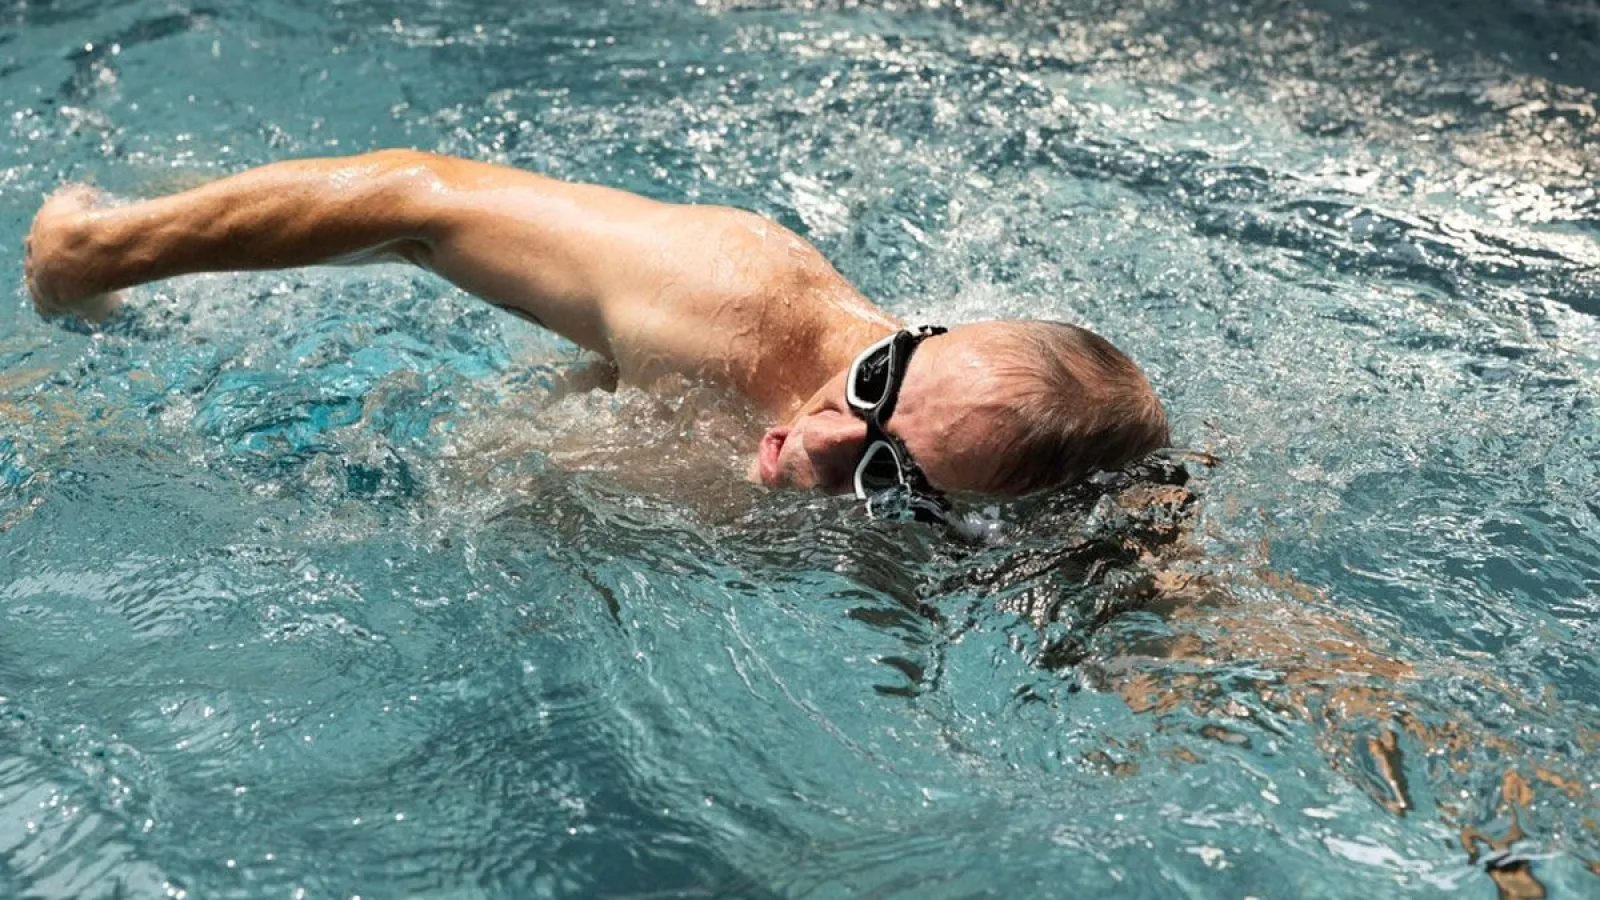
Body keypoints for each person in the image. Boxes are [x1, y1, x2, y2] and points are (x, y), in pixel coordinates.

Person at [23, 149, 1169, 527]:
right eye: (870, 386)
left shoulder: (1027, 527)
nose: (821, 445)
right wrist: (110, 254)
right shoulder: (724, 298)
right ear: (909, 337)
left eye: (892, 483)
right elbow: (419, 198)